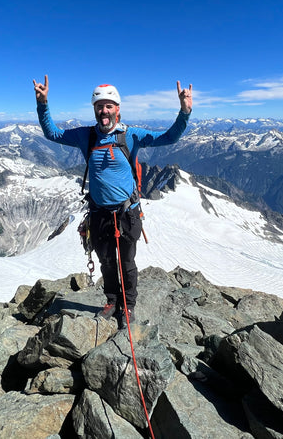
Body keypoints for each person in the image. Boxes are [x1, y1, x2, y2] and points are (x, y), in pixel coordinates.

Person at [33, 75, 193, 325]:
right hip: (99, 213)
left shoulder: (131, 135)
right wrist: (43, 104)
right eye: (99, 106)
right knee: (107, 261)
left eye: (109, 106)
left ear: (117, 109)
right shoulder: (86, 135)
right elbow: (52, 134)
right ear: (94, 110)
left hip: (127, 213)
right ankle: (112, 300)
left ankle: (128, 306)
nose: (104, 110)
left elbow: (168, 138)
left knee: (126, 262)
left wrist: (184, 112)